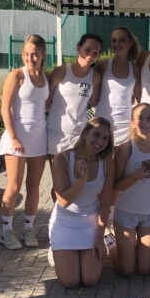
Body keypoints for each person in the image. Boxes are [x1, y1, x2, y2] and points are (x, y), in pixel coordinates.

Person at [0, 34, 50, 249]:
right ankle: (6, 231)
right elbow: (5, 108)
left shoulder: (46, 77)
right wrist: (14, 137)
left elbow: (44, 105)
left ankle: (29, 229)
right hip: (16, 141)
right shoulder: (17, 75)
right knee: (14, 186)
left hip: (39, 140)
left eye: (34, 54)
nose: (30, 58)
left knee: (34, 187)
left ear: (43, 54)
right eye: (27, 54)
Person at [49, 117, 115, 288]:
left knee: (90, 279)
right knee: (70, 281)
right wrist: (81, 180)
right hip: (64, 223)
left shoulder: (107, 163)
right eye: (96, 135)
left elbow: (106, 202)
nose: (100, 141)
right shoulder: (61, 159)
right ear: (85, 134)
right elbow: (63, 201)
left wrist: (99, 235)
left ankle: (105, 241)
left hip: (91, 223)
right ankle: (56, 248)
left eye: (105, 138)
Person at [112, 103, 150, 276]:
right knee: (127, 271)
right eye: (140, 118)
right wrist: (135, 177)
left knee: (145, 269)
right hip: (126, 214)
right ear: (132, 123)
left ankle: (131, 250)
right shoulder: (126, 149)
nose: (145, 122)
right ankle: (113, 247)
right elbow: (115, 185)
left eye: (149, 117)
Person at [47, 33, 102, 155]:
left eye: (95, 53)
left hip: (80, 133)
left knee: (77, 172)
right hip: (56, 132)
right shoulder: (61, 71)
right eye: (87, 50)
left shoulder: (95, 77)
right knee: (57, 173)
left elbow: (94, 103)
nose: (90, 55)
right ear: (79, 48)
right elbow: (46, 101)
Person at [95, 27, 142, 146]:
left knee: (122, 164)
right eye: (114, 40)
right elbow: (94, 96)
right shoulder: (102, 65)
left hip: (125, 125)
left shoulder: (135, 69)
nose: (117, 44)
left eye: (122, 40)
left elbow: (140, 99)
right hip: (102, 122)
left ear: (130, 43)